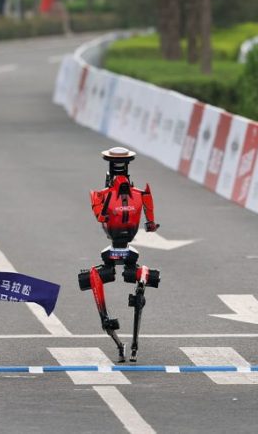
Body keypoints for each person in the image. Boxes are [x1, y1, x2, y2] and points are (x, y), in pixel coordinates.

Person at [78, 147, 160, 362]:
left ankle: (109, 324)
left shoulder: (101, 195)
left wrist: (107, 205)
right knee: (139, 277)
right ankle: (133, 343)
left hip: (113, 248)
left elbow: (100, 216)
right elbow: (150, 223)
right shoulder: (141, 194)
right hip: (128, 250)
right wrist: (148, 223)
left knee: (96, 276)